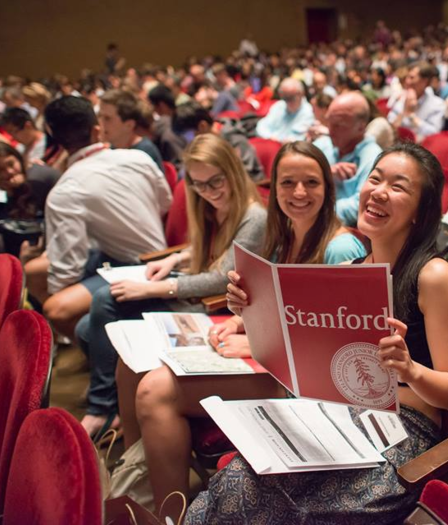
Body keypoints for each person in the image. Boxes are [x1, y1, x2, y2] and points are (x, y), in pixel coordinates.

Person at [186, 141, 448, 524]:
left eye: (398, 187)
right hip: (334, 413)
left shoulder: (431, 275)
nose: (379, 191)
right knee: (234, 481)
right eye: (375, 178)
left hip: (403, 427)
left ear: (421, 211)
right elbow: (311, 362)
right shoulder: (351, 269)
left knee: (253, 497)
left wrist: (409, 369)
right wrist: (249, 312)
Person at [116, 141, 367, 508]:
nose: (298, 193)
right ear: (274, 187)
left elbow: (341, 349)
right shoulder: (286, 238)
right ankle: (143, 483)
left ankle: (168, 511)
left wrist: (257, 345)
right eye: (287, 183)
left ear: (328, 188)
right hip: (278, 361)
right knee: (133, 365)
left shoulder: (341, 250)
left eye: (311, 183)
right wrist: (242, 319)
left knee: (156, 391)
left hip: (309, 383)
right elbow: (285, 311)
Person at [75, 133, 267, 437]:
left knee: (103, 302)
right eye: (199, 185)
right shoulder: (212, 206)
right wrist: (175, 259)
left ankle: (102, 409)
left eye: (215, 182)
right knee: (87, 327)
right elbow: (209, 249)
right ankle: (112, 405)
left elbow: (220, 277)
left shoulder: (254, 216)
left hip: (210, 303)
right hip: (194, 291)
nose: (208, 191)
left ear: (232, 171)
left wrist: (151, 289)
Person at [23, 96, 171, 340]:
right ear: (96, 129)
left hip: (137, 265)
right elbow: (165, 203)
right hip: (133, 253)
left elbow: (69, 267)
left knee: (56, 310)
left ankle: (94, 347)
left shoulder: (65, 190)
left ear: (54, 138)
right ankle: (93, 333)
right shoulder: (137, 157)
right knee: (34, 270)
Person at [313, 92, 383, 226]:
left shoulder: (373, 157)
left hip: (341, 230)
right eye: (329, 122)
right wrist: (324, 173)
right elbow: (292, 174)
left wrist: (315, 210)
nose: (330, 131)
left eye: (339, 125)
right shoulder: (324, 143)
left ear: (361, 127)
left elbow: (362, 206)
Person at [172, 102, 264, 181]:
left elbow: (250, 176)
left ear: (202, 126)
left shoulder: (235, 140)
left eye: (186, 136)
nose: (185, 142)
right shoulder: (205, 144)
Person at [98, 89, 164, 170]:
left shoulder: (144, 154)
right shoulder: (109, 150)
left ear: (129, 125)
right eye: (100, 116)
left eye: (107, 118)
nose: (100, 123)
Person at [388, 63, 446, 141]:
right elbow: (390, 128)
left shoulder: (438, 104)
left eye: (412, 78)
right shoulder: (401, 98)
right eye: (407, 77)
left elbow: (434, 134)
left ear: (425, 81)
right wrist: (404, 112)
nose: (407, 81)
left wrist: (411, 115)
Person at [255, 78, 315, 142]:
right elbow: (261, 126)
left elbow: (299, 138)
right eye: (284, 98)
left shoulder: (308, 112)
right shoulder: (279, 105)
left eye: (290, 98)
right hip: (270, 144)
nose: (287, 102)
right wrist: (270, 137)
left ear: (301, 94)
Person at [148, 84, 187, 168]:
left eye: (153, 106)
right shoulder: (188, 114)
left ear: (162, 105)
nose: (153, 110)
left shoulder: (166, 131)